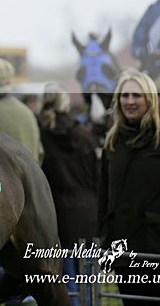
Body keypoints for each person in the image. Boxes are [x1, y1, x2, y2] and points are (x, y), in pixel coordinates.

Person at [98, 69, 160, 302]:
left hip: (159, 247)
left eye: (136, 95)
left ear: (149, 99)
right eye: (124, 96)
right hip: (122, 249)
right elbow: (104, 195)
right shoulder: (111, 143)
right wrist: (104, 238)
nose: (129, 101)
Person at [37, 83, 98, 306]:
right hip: (87, 211)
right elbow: (96, 175)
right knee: (88, 281)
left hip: (57, 212)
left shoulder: (41, 134)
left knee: (66, 281)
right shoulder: (83, 134)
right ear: (65, 102)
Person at [0, 57, 44, 164]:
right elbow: (40, 152)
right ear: (9, 82)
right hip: (32, 179)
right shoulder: (27, 112)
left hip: (4, 180)